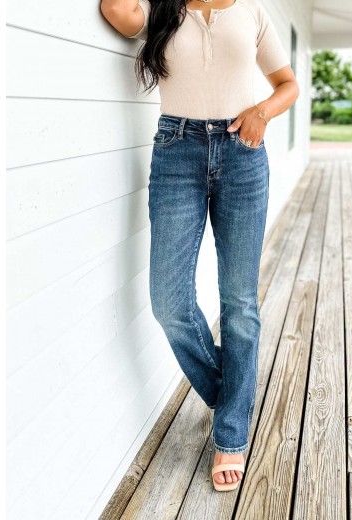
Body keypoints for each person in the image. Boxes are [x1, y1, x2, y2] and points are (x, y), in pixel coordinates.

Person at [100, 0, 299, 492]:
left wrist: (261, 111)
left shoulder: (251, 12)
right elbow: (116, 10)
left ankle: (231, 434)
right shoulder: (162, 9)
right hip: (177, 152)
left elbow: (287, 84)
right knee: (169, 302)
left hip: (243, 152)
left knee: (239, 302)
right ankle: (234, 396)